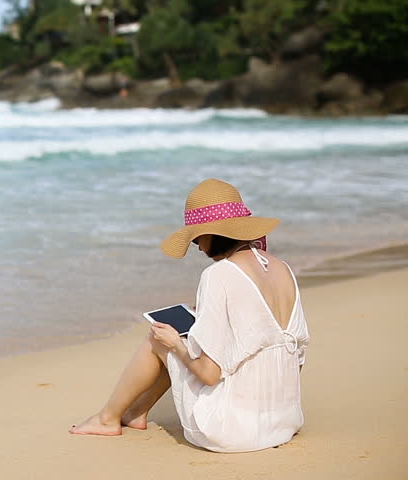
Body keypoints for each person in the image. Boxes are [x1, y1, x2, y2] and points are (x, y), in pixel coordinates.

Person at [69, 178, 310, 453]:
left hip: (233, 432)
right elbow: (294, 357)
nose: (196, 244)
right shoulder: (283, 269)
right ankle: (135, 413)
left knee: (160, 338)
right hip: (283, 422)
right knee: (183, 336)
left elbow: (209, 374)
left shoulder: (219, 275)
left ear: (216, 232)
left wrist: (177, 345)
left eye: (197, 235)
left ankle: (107, 418)